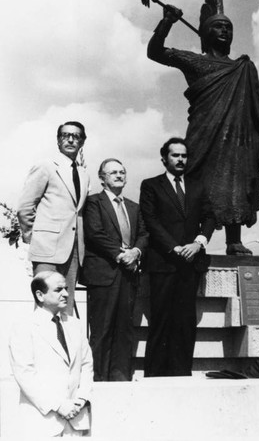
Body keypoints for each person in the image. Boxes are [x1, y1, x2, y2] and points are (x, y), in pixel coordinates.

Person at [146, 0, 259, 255]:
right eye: (219, 26)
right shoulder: (195, 62)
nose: (225, 31)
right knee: (199, 185)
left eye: (229, 27)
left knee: (236, 183)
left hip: (237, 139)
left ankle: (233, 241)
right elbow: (155, 52)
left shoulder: (244, 67)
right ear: (206, 33)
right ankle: (194, 238)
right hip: (203, 135)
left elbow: (256, 107)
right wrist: (167, 21)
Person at [139, 137, 216, 376]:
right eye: (175, 155)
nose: (181, 160)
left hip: (190, 265)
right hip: (163, 263)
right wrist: (174, 247)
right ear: (164, 158)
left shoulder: (198, 185)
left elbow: (210, 217)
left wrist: (198, 243)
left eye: (184, 156)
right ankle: (156, 376)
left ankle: (182, 374)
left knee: (185, 323)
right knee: (161, 321)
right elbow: (150, 220)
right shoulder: (151, 185)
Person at [80, 158, 148, 381]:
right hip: (104, 274)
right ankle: (97, 381)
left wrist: (135, 252)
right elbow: (94, 233)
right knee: (102, 330)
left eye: (122, 172)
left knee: (124, 330)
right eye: (113, 173)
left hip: (128, 276)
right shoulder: (93, 202)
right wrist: (121, 255)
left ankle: (120, 380)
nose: (119, 176)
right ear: (102, 178)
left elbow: (144, 234)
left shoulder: (133, 207)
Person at [17, 121, 90, 315]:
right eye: (65, 135)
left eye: (76, 136)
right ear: (58, 141)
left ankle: (64, 345)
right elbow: (25, 207)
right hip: (46, 250)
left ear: (82, 141)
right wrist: (34, 239)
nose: (70, 139)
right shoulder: (45, 166)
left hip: (73, 250)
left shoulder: (83, 174)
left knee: (66, 306)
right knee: (45, 306)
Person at [9, 271, 93, 437]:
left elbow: (86, 364)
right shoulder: (24, 327)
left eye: (67, 289)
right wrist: (58, 405)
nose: (66, 294)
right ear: (40, 295)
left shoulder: (75, 325)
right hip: (43, 421)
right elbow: (24, 374)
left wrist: (81, 400)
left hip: (76, 421)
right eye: (59, 290)